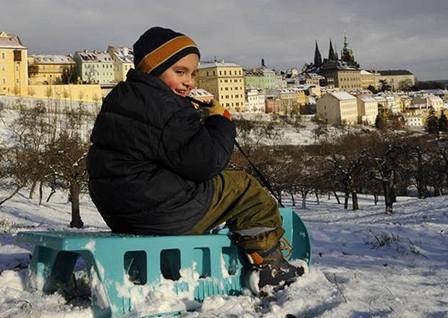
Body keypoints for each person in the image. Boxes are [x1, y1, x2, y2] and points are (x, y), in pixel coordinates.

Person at [86, 26, 304, 293]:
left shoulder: (121, 98)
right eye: (180, 72)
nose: (189, 81)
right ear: (152, 69)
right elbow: (206, 163)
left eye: (192, 74)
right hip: (162, 213)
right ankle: (272, 265)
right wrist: (219, 122)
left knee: (202, 189)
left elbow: (158, 150)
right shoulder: (166, 109)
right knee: (243, 187)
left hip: (120, 213)